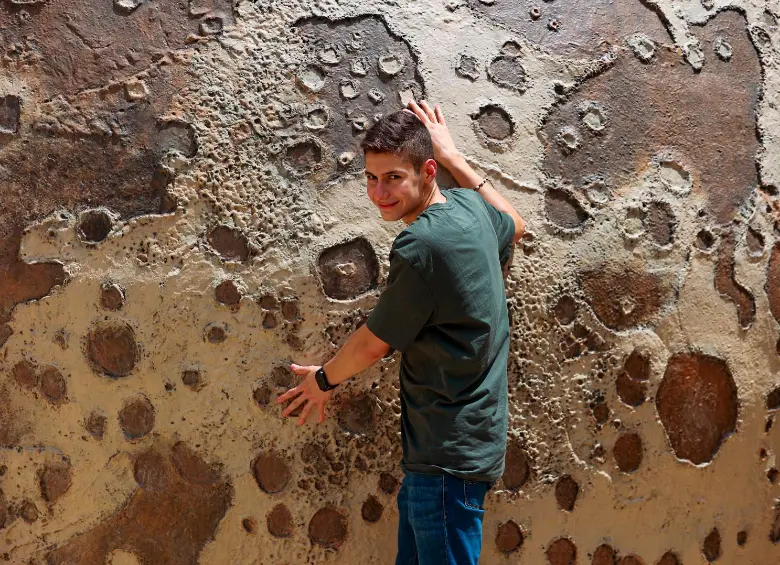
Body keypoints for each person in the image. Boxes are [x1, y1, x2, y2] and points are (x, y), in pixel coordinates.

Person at [277, 100, 526, 565]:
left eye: (393, 177)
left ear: (426, 172)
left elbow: (375, 341)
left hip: (446, 456)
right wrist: (457, 161)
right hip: (456, 450)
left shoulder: (421, 244)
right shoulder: (470, 209)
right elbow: (516, 224)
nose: (379, 193)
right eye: (371, 178)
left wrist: (323, 382)